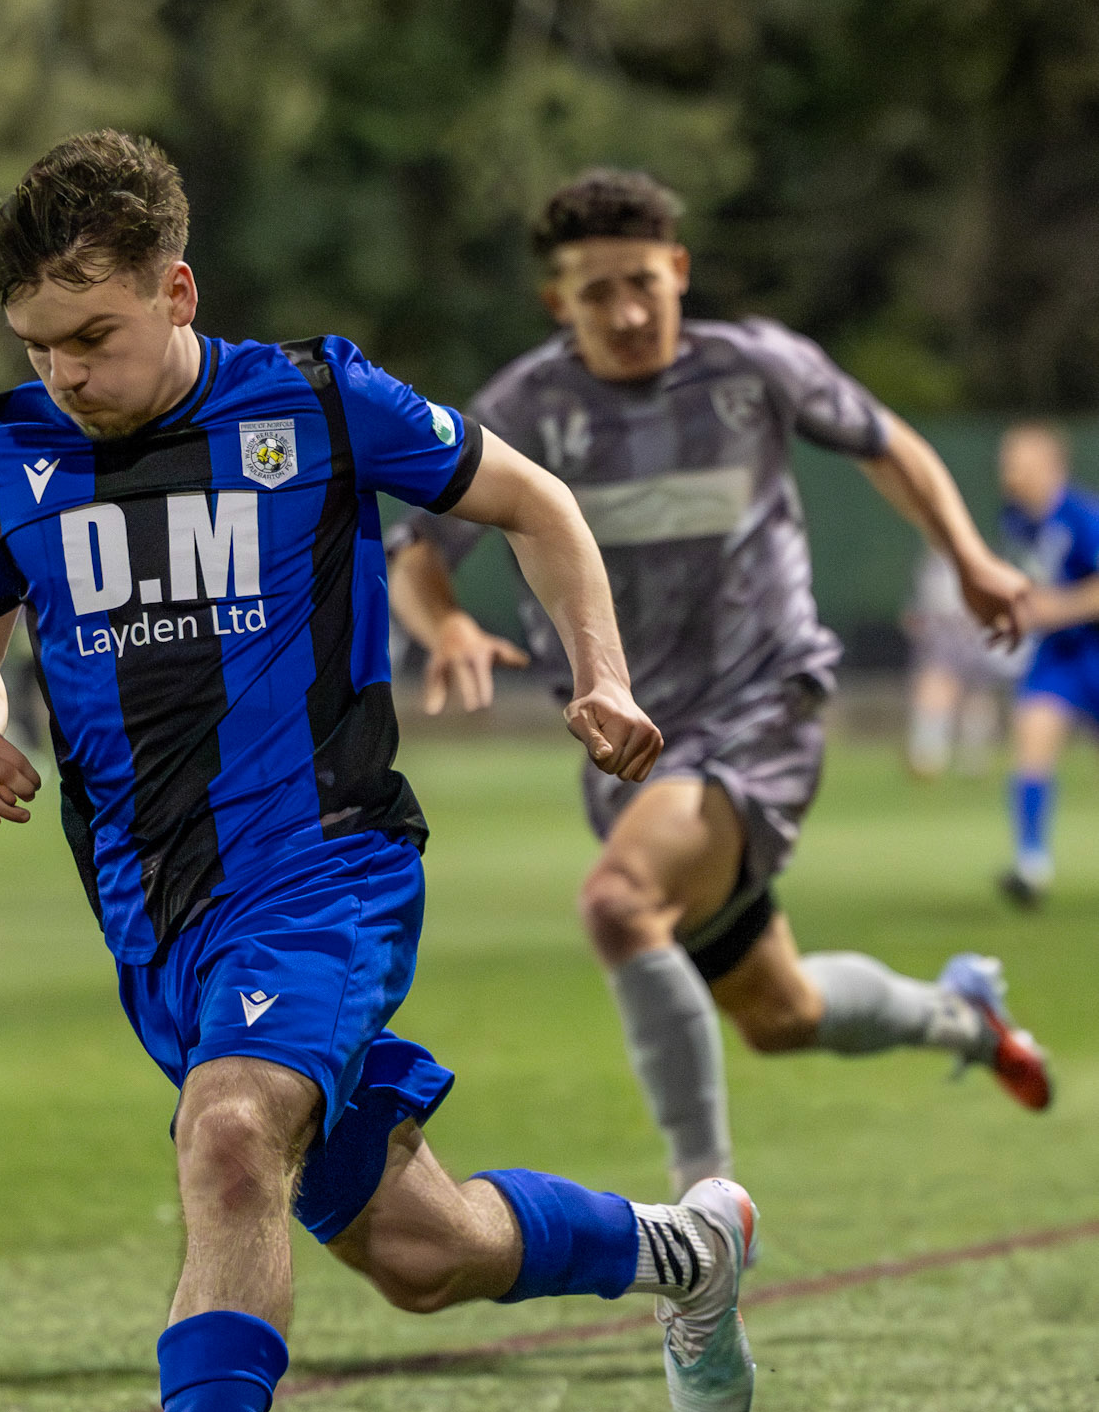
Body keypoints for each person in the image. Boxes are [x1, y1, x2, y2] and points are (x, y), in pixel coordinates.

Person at [0, 132, 765, 1412]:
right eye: (39, 346)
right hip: (157, 922)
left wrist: (602, 676)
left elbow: (539, 504)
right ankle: (685, 1250)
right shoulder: (5, 455)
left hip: (325, 868)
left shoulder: (313, 400)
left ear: (177, 291)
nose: (67, 374)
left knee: (230, 1132)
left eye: (95, 336)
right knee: (421, 1254)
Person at [387, 168, 1050, 1202]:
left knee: (619, 904)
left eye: (643, 282)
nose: (627, 311)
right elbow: (418, 553)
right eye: (597, 291)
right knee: (781, 1013)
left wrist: (967, 555)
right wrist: (448, 625)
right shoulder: (525, 407)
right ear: (558, 301)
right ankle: (963, 1015)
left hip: (762, 706)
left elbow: (889, 444)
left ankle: (708, 1222)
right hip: (633, 749)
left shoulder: (755, 366)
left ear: (680, 270)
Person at [997, 421, 1099, 906]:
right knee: (1032, 736)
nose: (1009, 471)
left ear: (1050, 465)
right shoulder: (1015, 521)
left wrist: (1052, 609)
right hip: (1058, 655)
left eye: (1019, 461)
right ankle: (1031, 862)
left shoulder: (1082, 516)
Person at [902, 548, 1019, 779]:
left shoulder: (979, 560)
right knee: (941, 685)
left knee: (975, 694)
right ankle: (929, 753)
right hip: (950, 631)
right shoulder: (936, 564)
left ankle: (967, 757)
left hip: (974, 631)